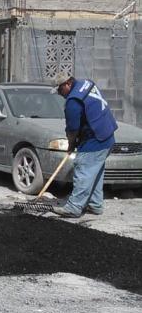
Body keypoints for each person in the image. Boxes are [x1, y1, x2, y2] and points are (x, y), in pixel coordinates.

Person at [51, 73, 117, 217]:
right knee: (95, 172)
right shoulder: (87, 84)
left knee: (83, 171)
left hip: (95, 140)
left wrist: (71, 144)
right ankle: (95, 205)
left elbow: (72, 129)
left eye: (60, 90)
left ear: (68, 84)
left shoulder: (73, 101)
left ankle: (74, 207)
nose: (60, 94)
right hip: (108, 135)